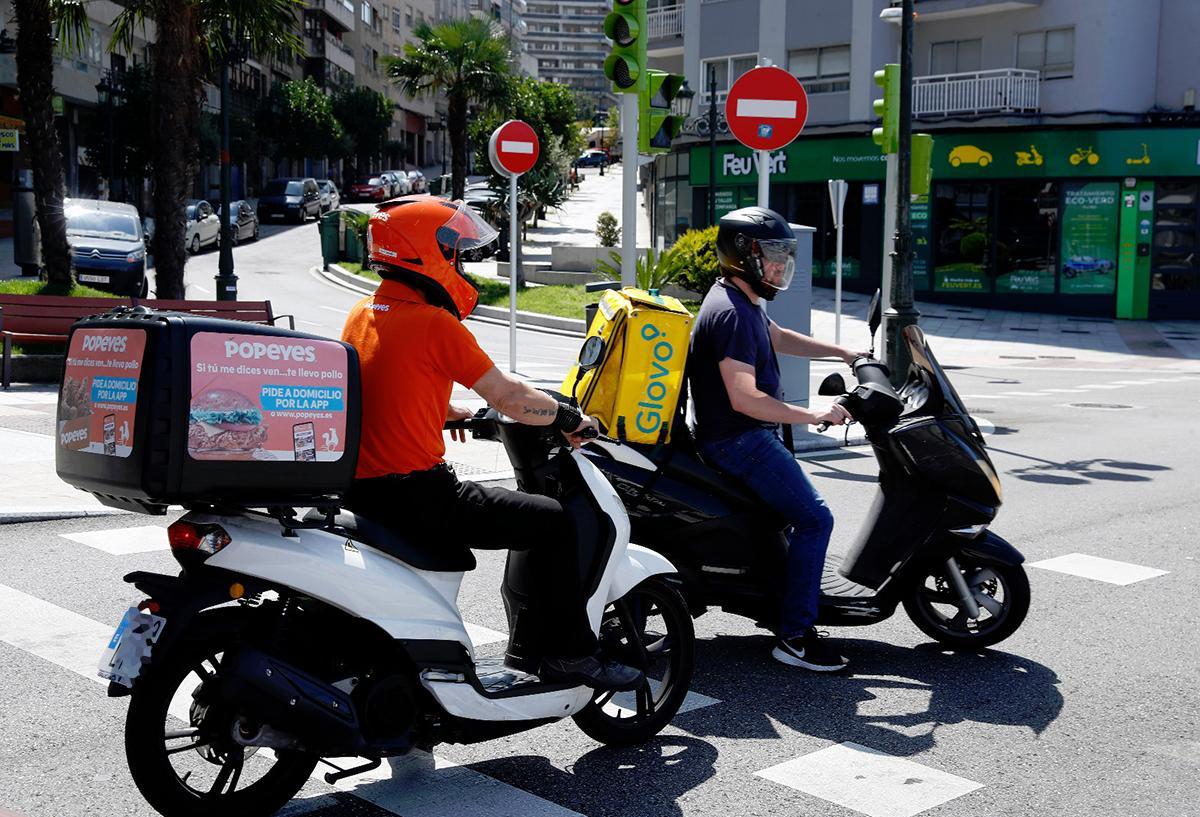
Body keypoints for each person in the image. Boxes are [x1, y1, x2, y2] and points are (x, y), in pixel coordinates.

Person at [341, 195, 642, 691]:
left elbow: (389, 383)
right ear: (427, 252)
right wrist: (568, 416)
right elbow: (509, 396)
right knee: (553, 520)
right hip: (419, 496)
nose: (460, 264)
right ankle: (569, 654)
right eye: (455, 253)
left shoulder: (363, 312)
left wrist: (452, 414)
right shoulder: (433, 322)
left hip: (365, 491)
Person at [688, 206, 863, 672]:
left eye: (785, 256)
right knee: (815, 519)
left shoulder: (738, 300)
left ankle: (778, 601)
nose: (781, 266)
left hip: (742, 435)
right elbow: (744, 398)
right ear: (743, 256)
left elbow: (779, 337)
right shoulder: (731, 314)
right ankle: (795, 637)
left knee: (788, 519)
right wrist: (813, 414)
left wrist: (843, 351)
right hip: (739, 439)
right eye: (773, 256)